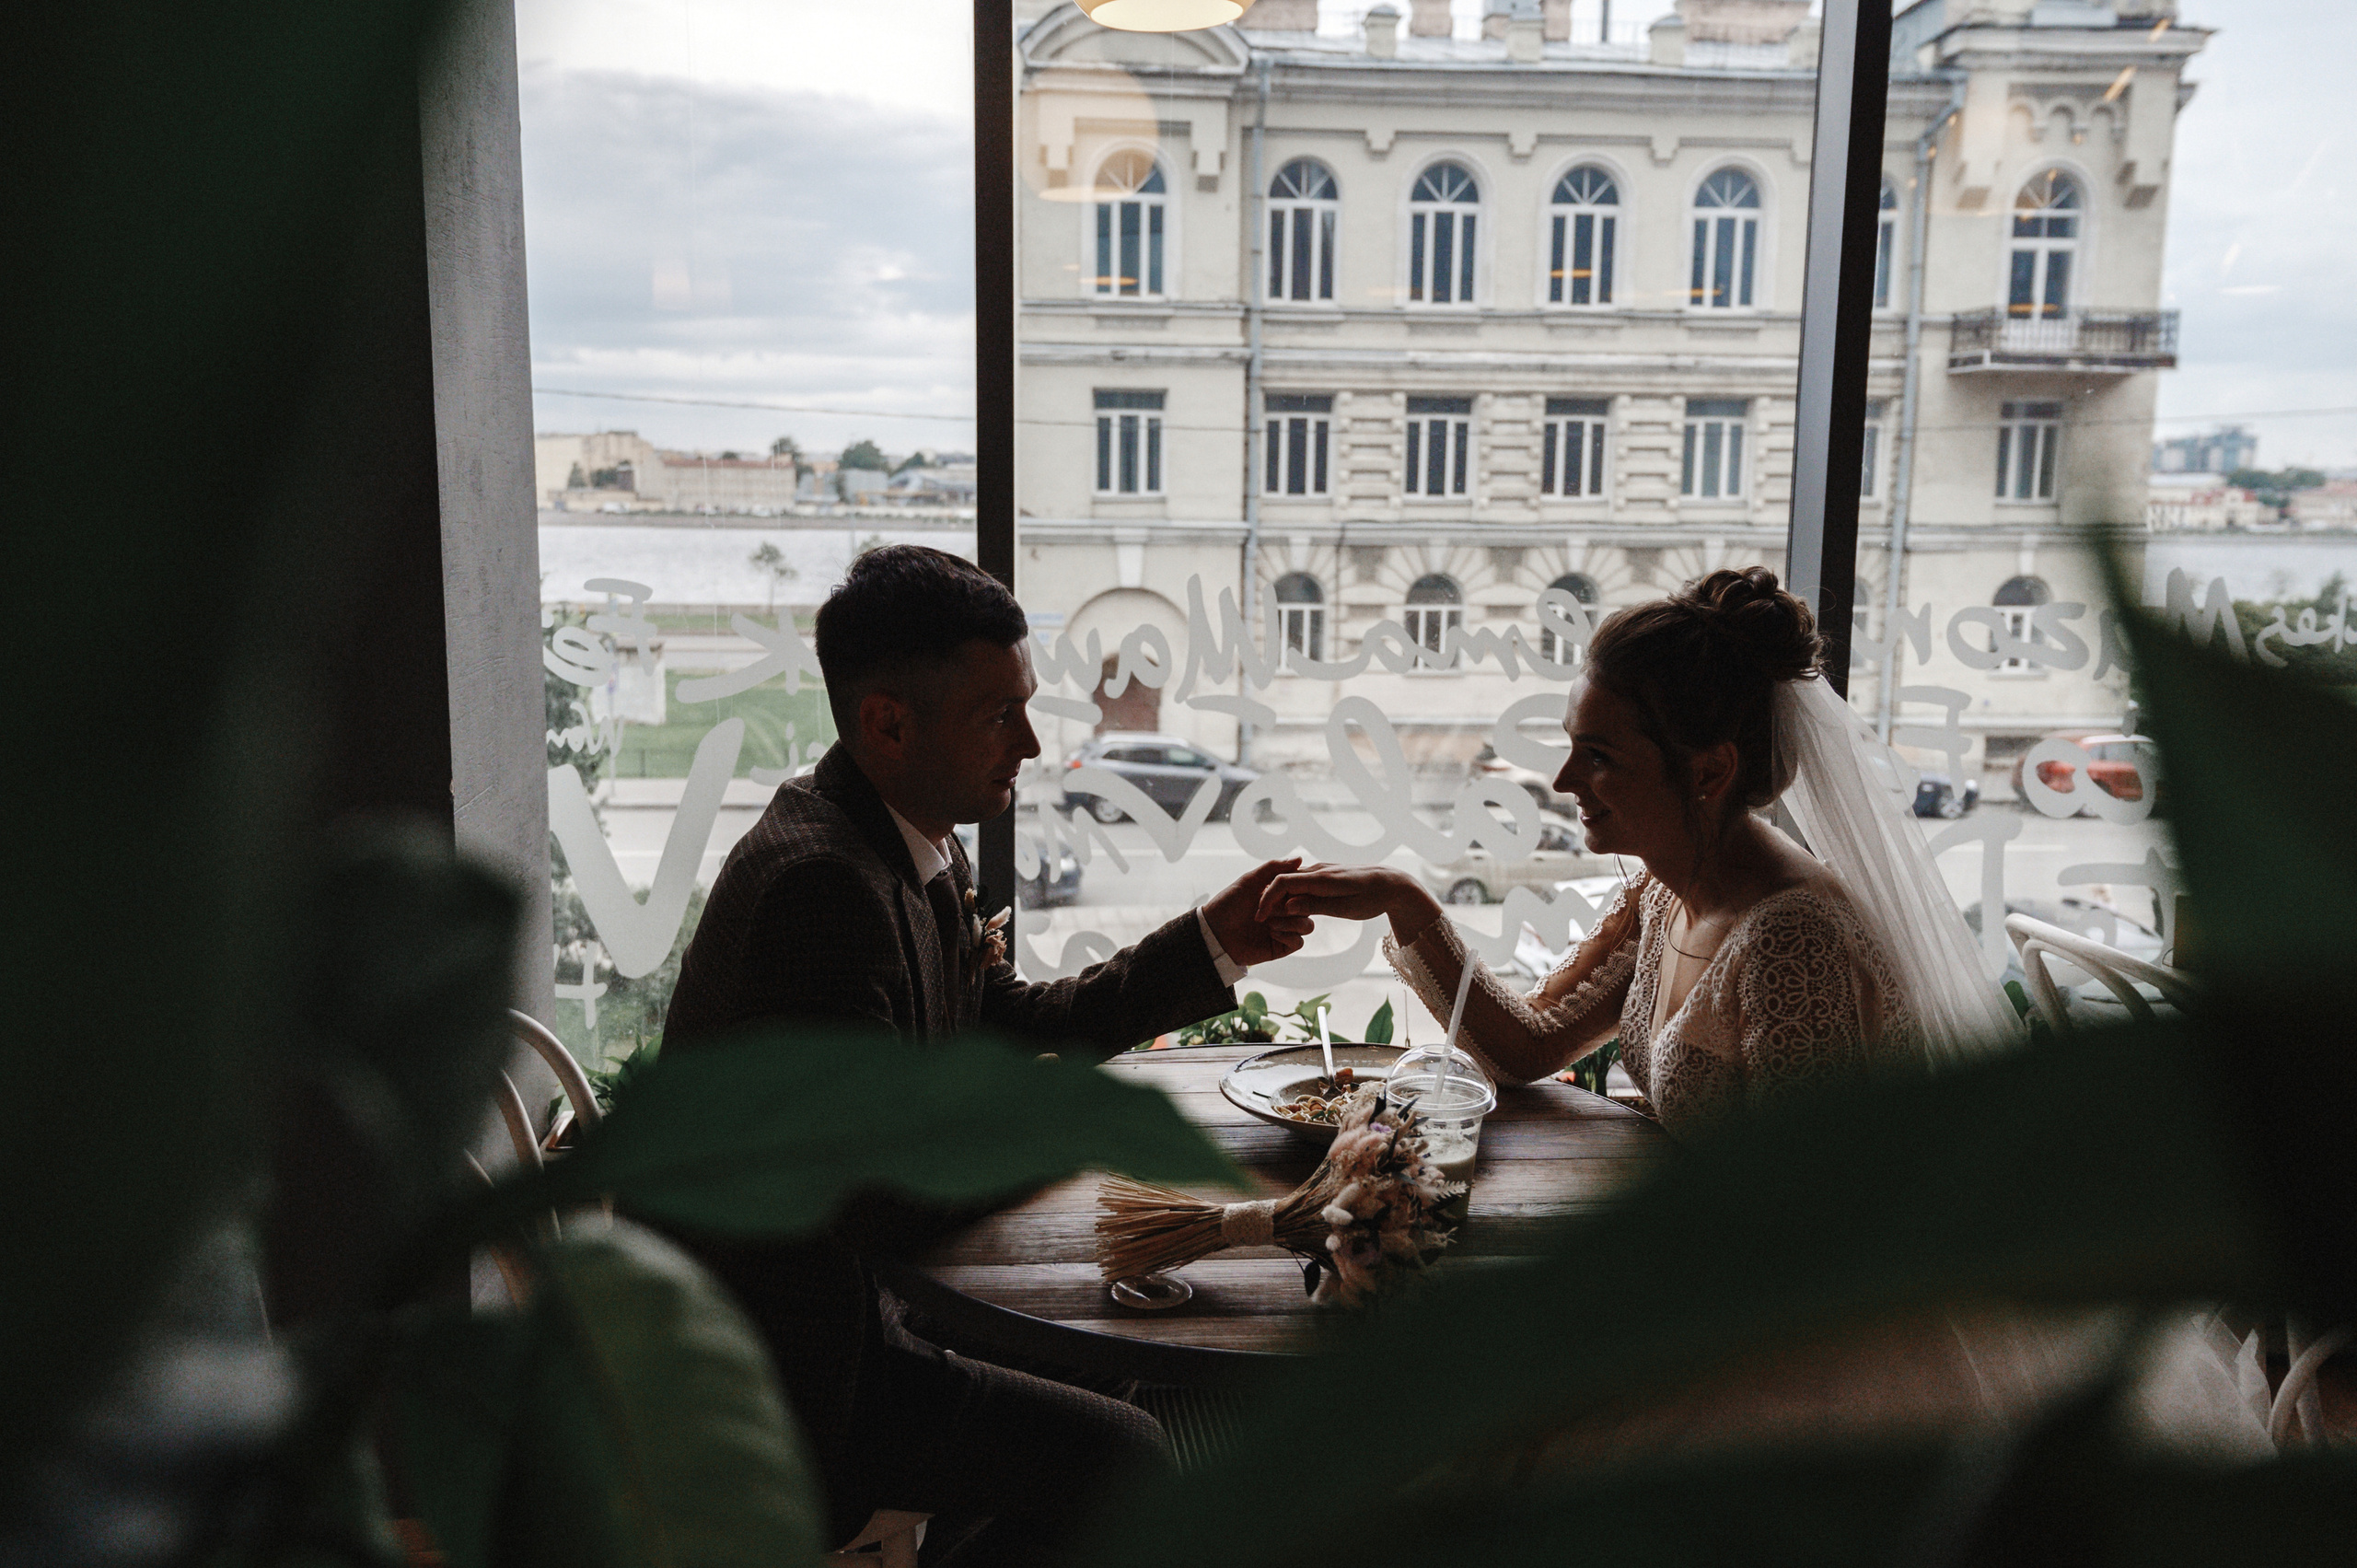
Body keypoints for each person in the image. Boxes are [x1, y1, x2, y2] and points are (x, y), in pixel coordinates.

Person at [657, 544, 1310, 1565]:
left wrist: (1211, 938)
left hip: (865, 1304)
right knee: (1130, 1452)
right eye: (999, 714)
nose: (1036, 740)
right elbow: (885, 1195)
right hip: (789, 1374)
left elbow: (1005, 1015)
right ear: (887, 722)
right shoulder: (820, 890)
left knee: (1112, 1363)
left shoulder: (906, 836)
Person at [1259, 564, 2020, 1139]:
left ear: (1708, 770)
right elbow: (1532, 1045)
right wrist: (1406, 899)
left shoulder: (1792, 940)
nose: (1562, 779)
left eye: (1598, 755)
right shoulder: (1669, 891)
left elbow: (1810, 1218)